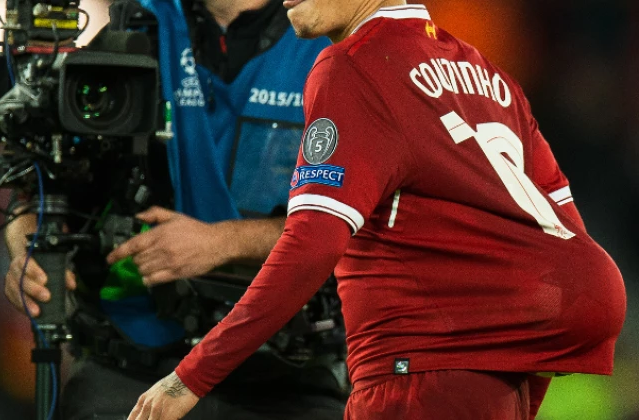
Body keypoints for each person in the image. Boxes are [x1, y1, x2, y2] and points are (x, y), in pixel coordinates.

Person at [127, 1, 628, 419]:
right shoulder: (490, 76)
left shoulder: (355, 65)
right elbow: (564, 240)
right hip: (493, 368)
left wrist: (189, 378)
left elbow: (311, 245)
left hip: (420, 369)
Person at [3, 0, 347, 419]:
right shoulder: (135, 29)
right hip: (132, 367)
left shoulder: (332, 38)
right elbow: (38, 182)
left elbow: (369, 221)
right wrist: (27, 250)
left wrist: (221, 243)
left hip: (286, 377)